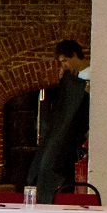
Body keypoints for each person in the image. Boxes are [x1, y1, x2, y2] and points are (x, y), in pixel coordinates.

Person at [27, 40, 90, 202]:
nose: (64, 65)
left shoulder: (89, 74)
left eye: (65, 61)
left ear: (75, 55)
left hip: (76, 129)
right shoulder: (71, 78)